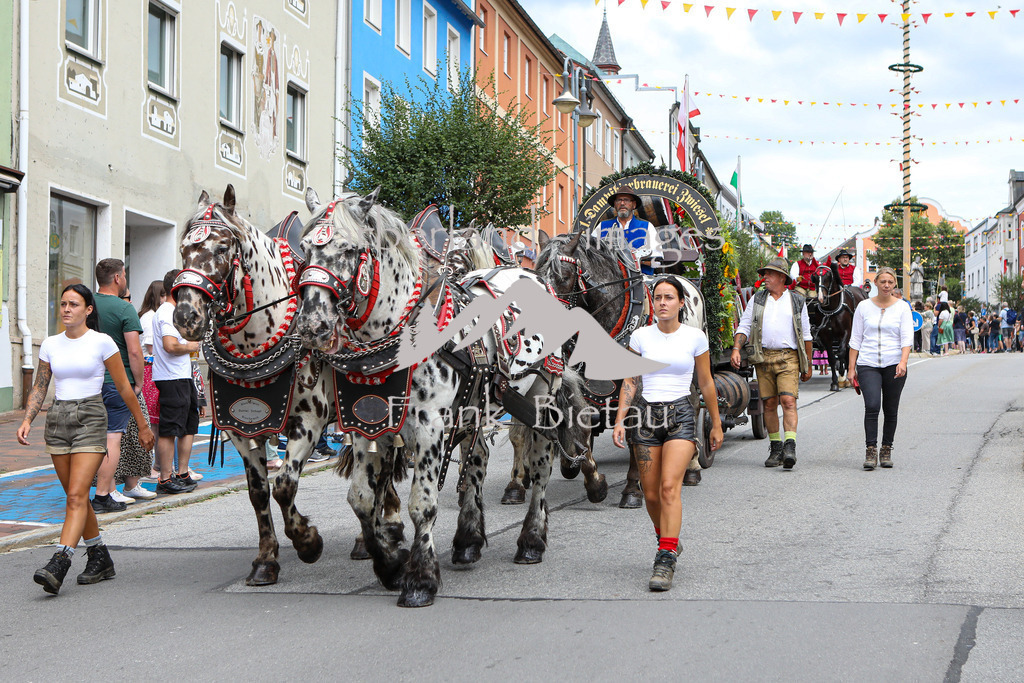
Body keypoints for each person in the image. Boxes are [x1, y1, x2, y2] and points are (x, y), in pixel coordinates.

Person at [18, 284, 155, 594]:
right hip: (58, 421)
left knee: (78, 496)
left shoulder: (102, 342)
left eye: (74, 304)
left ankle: (60, 560)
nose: (66, 309)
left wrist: (143, 425)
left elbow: (123, 387)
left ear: (88, 310)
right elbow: (40, 386)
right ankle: (99, 555)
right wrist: (27, 418)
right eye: (64, 304)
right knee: (75, 496)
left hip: (92, 418)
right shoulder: (51, 344)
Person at [612, 277, 722, 592]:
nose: (662, 303)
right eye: (658, 297)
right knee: (649, 494)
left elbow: (706, 382)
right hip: (645, 417)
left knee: (669, 488)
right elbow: (630, 381)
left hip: (682, 417)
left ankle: (665, 559)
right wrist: (620, 420)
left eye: (669, 297)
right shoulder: (641, 336)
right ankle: (669, 540)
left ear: (680, 303)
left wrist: (715, 423)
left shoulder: (695, 337)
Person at [731, 256, 813, 470]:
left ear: (781, 277)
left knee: (788, 400)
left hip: (789, 357)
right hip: (763, 357)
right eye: (764, 274)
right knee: (768, 403)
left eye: (768, 273)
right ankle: (776, 447)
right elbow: (745, 325)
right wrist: (736, 348)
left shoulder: (796, 301)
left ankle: (790, 446)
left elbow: (806, 335)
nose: (764, 277)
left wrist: (808, 364)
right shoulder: (757, 299)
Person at [91, 259, 145, 512]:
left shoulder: (86, 304)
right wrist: (139, 382)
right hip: (116, 380)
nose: (124, 280)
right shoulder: (124, 309)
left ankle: (108, 489)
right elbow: (134, 352)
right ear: (117, 278)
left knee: (95, 437)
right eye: (124, 275)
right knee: (113, 437)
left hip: (90, 381)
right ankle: (104, 494)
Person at [848, 267, 913, 470]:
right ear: (875, 282)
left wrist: (903, 362)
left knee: (891, 409)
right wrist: (851, 368)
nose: (886, 285)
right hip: (868, 363)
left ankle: (886, 449)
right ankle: (870, 450)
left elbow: (906, 338)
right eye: (882, 281)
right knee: (873, 406)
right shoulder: (863, 307)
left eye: (890, 282)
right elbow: (855, 338)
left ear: (894, 284)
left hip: (894, 364)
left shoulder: (902, 307)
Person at [152, 270, 201, 494]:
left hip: (183, 375)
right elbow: (170, 346)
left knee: (189, 424)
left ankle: (181, 473)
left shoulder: (176, 311)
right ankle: (165, 478)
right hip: (171, 377)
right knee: (169, 429)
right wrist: (191, 346)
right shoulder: (166, 313)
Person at [591, 184, 663, 275]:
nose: (622, 203)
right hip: (609, 281)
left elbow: (657, 261)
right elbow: (591, 255)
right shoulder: (602, 226)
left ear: (634, 205)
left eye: (626, 200)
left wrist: (633, 260)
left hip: (640, 280)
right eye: (619, 200)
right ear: (615, 204)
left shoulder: (647, 227)